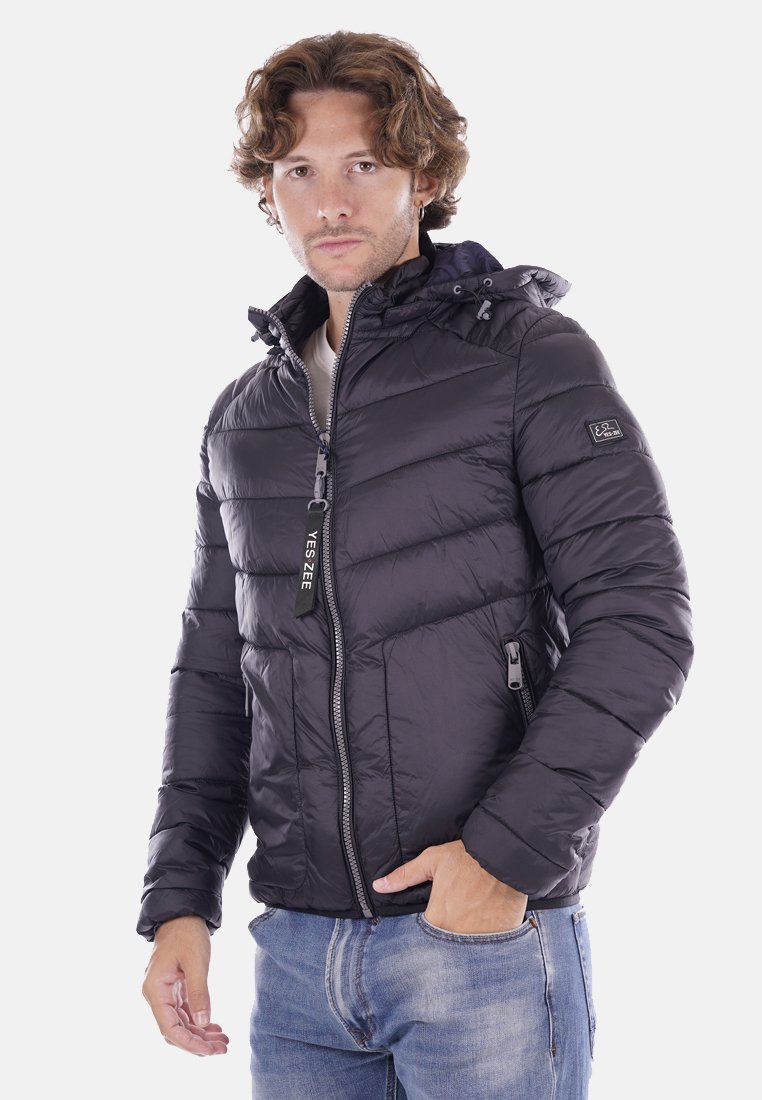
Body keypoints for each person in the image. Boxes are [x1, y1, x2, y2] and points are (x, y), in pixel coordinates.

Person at [138, 30, 694, 1100]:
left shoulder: (527, 358)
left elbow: (640, 621)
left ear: (425, 178)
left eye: (364, 164)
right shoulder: (245, 418)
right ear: (268, 190)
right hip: (297, 955)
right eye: (298, 169)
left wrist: (502, 858)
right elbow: (215, 676)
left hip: (479, 938)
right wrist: (180, 901)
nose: (329, 202)